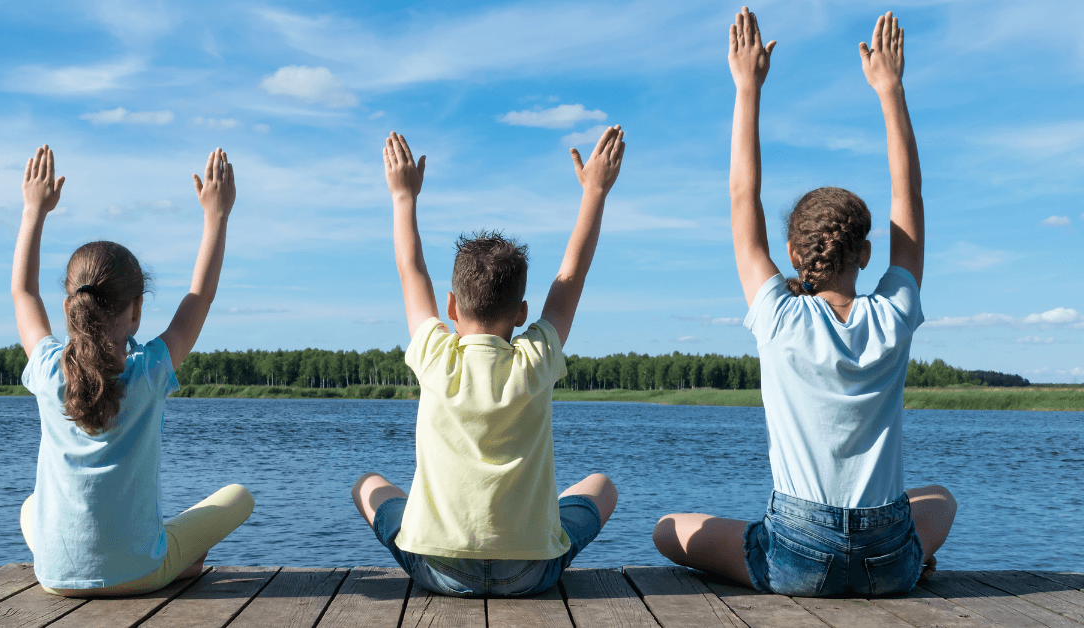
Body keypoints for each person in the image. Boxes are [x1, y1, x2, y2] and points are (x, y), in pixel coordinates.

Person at [652, 8, 957, 597]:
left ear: (792, 253)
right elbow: (908, 198)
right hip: (887, 554)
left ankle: (808, 564)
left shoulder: (780, 317)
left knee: (668, 531)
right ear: (866, 254)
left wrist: (748, 88)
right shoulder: (892, 313)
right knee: (941, 499)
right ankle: (906, 563)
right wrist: (890, 90)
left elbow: (744, 199)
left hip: (797, 554)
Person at [351, 128, 625, 597]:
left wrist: (403, 196)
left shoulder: (435, 354)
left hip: (439, 571)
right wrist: (595, 191)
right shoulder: (536, 356)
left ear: (452, 307)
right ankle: (532, 531)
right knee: (602, 486)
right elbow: (571, 274)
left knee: (368, 484)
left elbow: (411, 269)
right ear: (521, 314)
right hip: (529, 575)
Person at [12, 145, 253, 596]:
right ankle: (177, 559)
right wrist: (216, 215)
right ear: (137, 310)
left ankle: (155, 555)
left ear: (68, 308)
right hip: (139, 574)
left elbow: (24, 293)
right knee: (239, 496)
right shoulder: (151, 370)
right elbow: (200, 296)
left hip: (55, 577)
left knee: (31, 506)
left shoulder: (47, 371)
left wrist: (33, 209)